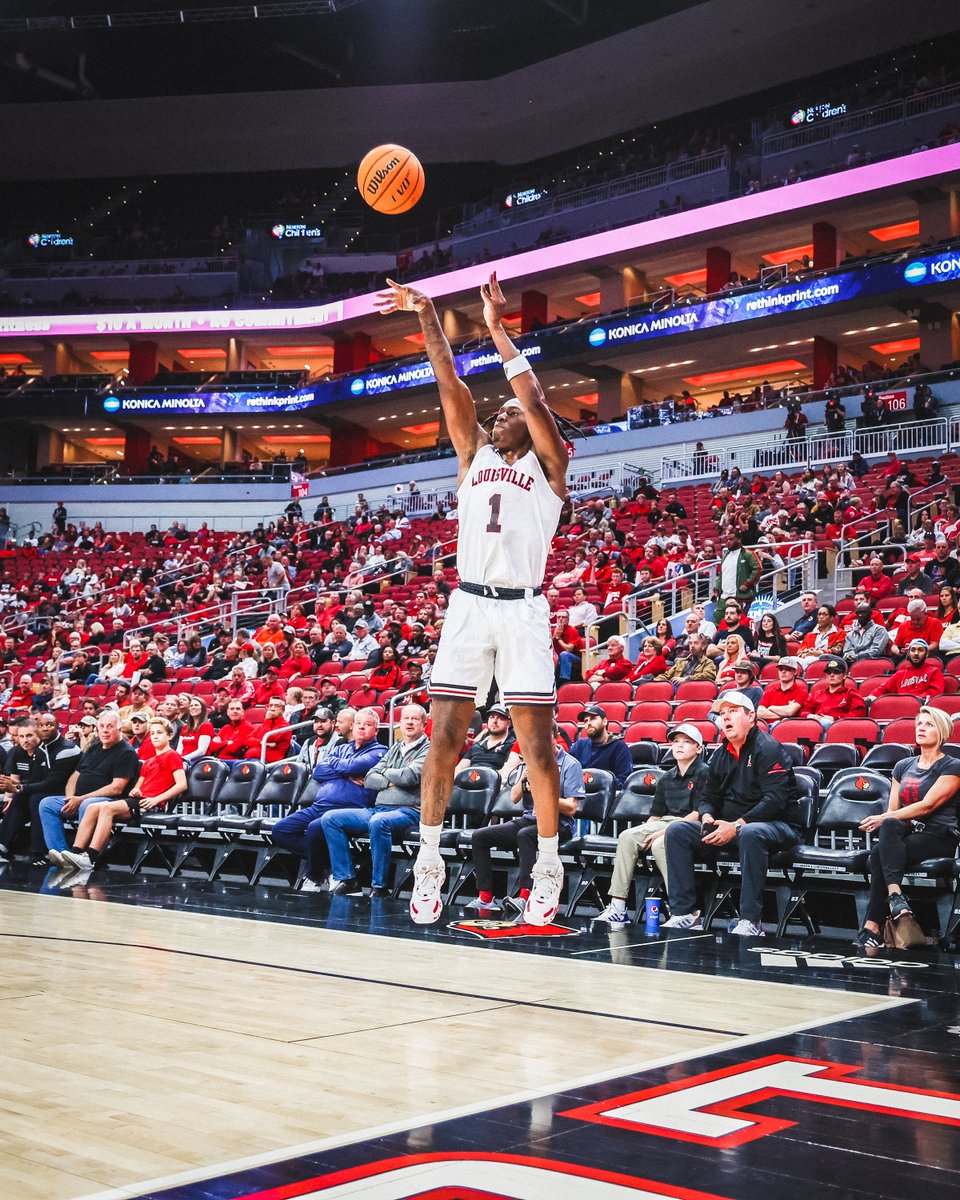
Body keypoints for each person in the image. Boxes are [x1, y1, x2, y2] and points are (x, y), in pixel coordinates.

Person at [376, 272, 569, 926]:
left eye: (510, 413)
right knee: (443, 742)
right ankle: (429, 860)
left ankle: (548, 865)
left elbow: (532, 394)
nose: (500, 414)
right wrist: (427, 312)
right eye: (498, 414)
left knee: (536, 748)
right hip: (467, 607)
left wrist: (493, 327)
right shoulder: (472, 453)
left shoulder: (549, 467)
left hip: (524, 608)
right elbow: (448, 381)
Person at [662, 690, 802, 937]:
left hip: (778, 826)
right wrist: (706, 816)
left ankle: (751, 920)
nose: (726, 718)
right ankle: (686, 913)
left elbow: (776, 800)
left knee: (750, 832)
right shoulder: (720, 754)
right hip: (732, 826)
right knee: (677, 831)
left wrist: (736, 824)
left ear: (751, 717)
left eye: (733, 711)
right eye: (722, 713)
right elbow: (708, 797)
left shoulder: (768, 748)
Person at [855, 707, 960, 950]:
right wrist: (887, 818)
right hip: (908, 833)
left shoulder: (952, 766)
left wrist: (883, 818)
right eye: (919, 723)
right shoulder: (903, 766)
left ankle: (873, 926)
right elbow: (894, 812)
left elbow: (927, 806)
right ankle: (894, 896)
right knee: (890, 824)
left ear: (943, 731)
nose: (921, 728)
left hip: (939, 835)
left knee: (878, 853)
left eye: (929, 724)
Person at [594, 724, 709, 927]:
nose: (679, 746)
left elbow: (700, 813)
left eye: (687, 742)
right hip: (665, 822)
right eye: (676, 741)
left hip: (690, 825)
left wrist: (664, 832)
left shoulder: (704, 772)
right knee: (628, 836)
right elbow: (655, 816)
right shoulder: (666, 777)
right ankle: (618, 907)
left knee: (660, 844)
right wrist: (643, 836)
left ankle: (686, 912)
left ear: (699, 748)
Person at [464, 722, 584, 914]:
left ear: (555, 738)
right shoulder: (529, 761)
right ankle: (486, 897)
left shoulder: (571, 764)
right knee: (480, 836)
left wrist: (544, 796)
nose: (538, 745)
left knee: (525, 835)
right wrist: (524, 776)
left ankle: (525, 896)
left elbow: (571, 808)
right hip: (530, 818)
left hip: (558, 822)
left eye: (543, 740)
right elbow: (514, 798)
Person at [270, 706, 386, 891]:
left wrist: (340, 768)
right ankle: (334, 861)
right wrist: (345, 771)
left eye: (368, 724)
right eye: (358, 724)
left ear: (376, 730)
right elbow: (319, 770)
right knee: (280, 830)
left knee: (316, 828)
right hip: (320, 806)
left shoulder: (379, 752)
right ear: (353, 727)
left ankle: (314, 876)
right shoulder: (341, 748)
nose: (362, 727)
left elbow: (353, 766)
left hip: (349, 809)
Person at [321, 704, 430, 897]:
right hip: (379, 809)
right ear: (400, 723)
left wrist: (385, 774)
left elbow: (409, 777)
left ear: (424, 724)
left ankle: (379, 887)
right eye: (406, 718)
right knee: (330, 818)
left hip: (409, 811)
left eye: (415, 719)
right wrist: (391, 778)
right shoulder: (396, 748)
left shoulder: (428, 749)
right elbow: (370, 779)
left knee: (378, 822)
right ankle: (348, 879)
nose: (410, 722)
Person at [57, 718, 187, 879]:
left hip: (151, 803)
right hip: (138, 800)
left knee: (106, 808)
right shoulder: (149, 761)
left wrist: (156, 799)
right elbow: (138, 786)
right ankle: (75, 852)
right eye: (152, 733)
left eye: (159, 733)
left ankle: (90, 857)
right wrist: (135, 791)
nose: (155, 736)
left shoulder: (172, 755)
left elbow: (182, 785)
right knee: (91, 807)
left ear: (170, 735)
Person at [38, 710, 140, 864]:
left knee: (88, 804)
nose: (105, 730)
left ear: (119, 728)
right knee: (46, 804)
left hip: (108, 800)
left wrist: (79, 799)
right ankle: (62, 855)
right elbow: (75, 776)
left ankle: (84, 856)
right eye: (102, 726)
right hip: (78, 798)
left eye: (110, 726)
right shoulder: (94, 746)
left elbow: (116, 788)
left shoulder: (126, 752)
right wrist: (70, 798)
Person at [0, 714, 81, 866]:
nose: (25, 739)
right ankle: (2, 845)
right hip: (47, 790)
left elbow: (52, 782)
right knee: (21, 798)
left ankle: (39, 851)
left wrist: (18, 788)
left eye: (29, 735)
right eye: (21, 736)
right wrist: (13, 791)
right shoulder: (41, 749)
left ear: (58, 726)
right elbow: (36, 780)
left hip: (69, 793)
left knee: (37, 800)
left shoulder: (67, 749)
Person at [569, 704, 632, 788]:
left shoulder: (619, 747)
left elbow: (624, 780)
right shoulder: (579, 745)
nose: (589, 723)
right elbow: (567, 772)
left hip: (607, 797)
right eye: (585, 721)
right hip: (580, 795)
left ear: (604, 721)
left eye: (593, 719)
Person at [454, 703, 516, 780]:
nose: (495, 721)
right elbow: (459, 769)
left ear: (508, 723)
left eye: (500, 718)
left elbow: (507, 774)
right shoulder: (477, 745)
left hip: (495, 786)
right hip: (469, 784)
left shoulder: (512, 745)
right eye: (492, 717)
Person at [873, 640, 944, 702]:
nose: (916, 653)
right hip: (901, 708)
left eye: (920, 650)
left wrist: (913, 701)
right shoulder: (900, 674)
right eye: (913, 650)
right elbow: (883, 689)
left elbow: (934, 695)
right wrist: (872, 696)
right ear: (908, 653)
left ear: (927, 654)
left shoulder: (934, 672)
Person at [806, 658, 868, 727]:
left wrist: (836, 718)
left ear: (844, 676)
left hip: (839, 727)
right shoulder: (817, 694)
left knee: (825, 722)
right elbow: (804, 710)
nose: (832, 675)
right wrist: (810, 715)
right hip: (816, 725)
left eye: (836, 672)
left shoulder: (851, 693)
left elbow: (859, 713)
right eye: (829, 672)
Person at [756, 657, 808, 724]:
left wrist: (771, 707)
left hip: (788, 728)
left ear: (795, 672)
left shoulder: (801, 692)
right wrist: (783, 714)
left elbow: (790, 711)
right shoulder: (769, 691)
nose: (783, 672)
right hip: (768, 728)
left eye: (787, 669)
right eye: (780, 669)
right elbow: (759, 713)